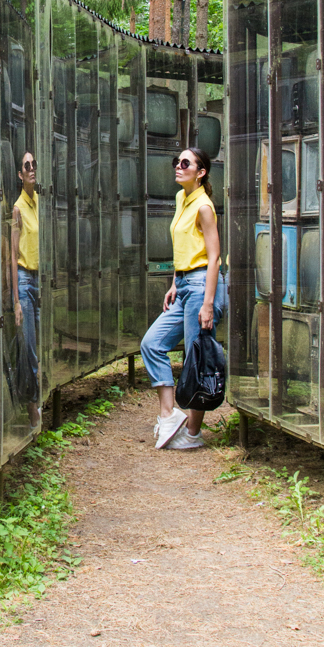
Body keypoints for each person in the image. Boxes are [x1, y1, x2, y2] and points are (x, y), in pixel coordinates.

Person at [141, 145, 225, 450]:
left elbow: (214, 257)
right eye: (177, 161)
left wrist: (207, 303)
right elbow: (183, 247)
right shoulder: (181, 198)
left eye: (185, 163)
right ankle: (168, 415)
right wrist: (175, 281)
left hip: (204, 285)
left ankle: (192, 434)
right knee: (151, 344)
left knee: (195, 358)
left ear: (200, 173)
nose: (178, 166)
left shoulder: (204, 206)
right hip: (185, 283)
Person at [11, 150, 41, 428]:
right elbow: (11, 255)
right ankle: (32, 410)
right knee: (29, 347)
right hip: (24, 280)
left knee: (39, 344)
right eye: (26, 166)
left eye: (33, 164)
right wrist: (16, 301)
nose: (32, 168)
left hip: (41, 279)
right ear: (20, 175)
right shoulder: (17, 208)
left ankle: (36, 401)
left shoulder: (40, 203)